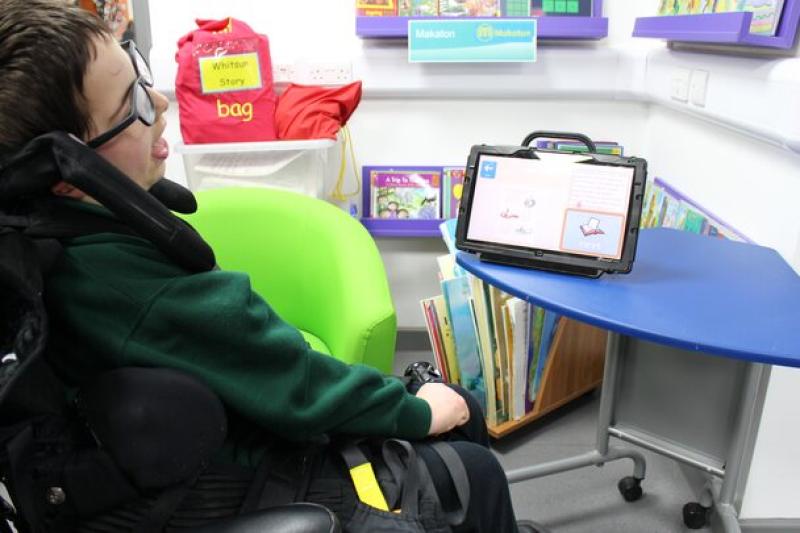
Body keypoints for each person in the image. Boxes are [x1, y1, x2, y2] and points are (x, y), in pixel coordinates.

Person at [0, 2, 543, 532]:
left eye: (142, 76)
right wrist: (419, 413)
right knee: (472, 464)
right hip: (220, 483)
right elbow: (295, 382)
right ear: (69, 172)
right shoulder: (123, 283)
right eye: (131, 108)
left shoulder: (49, 232)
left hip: (171, 455)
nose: (160, 102)